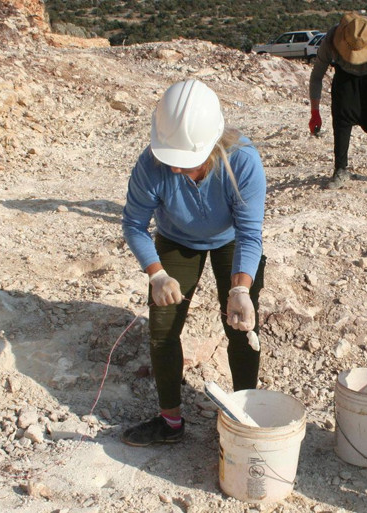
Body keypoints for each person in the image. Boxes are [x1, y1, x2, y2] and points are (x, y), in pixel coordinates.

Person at [120, 79, 267, 447]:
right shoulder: (151, 164)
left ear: (212, 145)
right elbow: (134, 225)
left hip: (230, 240)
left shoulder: (243, 161)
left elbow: (250, 233)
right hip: (177, 240)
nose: (174, 170)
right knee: (163, 328)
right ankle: (170, 422)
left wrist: (240, 288)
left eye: (185, 163)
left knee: (240, 324)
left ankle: (243, 419)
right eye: (170, 160)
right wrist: (156, 273)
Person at [308, 11, 367, 189]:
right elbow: (316, 77)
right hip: (346, 71)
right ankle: (340, 169)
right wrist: (315, 113)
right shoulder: (331, 41)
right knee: (342, 109)